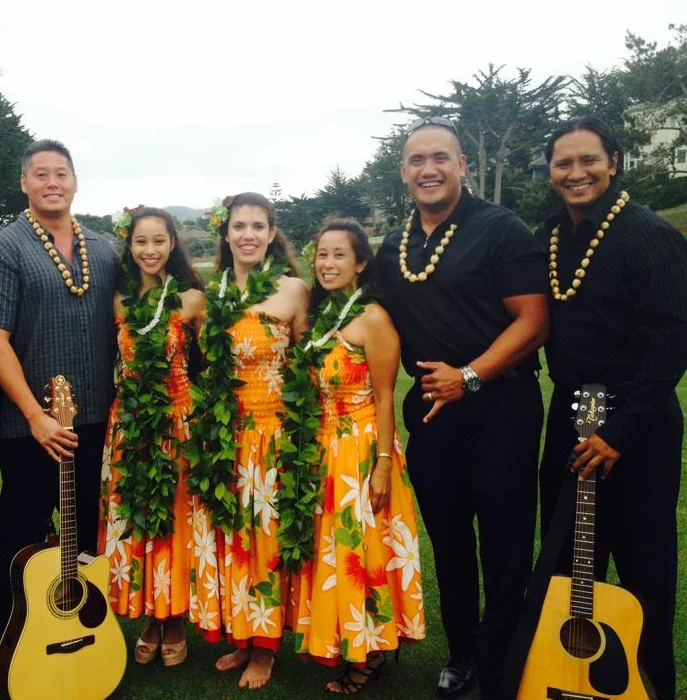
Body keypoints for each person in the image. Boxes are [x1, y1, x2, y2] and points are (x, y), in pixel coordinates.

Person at [376, 117, 549, 698]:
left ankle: (502, 661)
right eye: (417, 160)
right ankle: (463, 653)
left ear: (462, 165)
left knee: (504, 543)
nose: (429, 169)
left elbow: (534, 320)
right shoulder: (397, 245)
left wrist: (470, 376)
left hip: (502, 408)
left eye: (440, 158)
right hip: (431, 414)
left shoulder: (499, 228)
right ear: (403, 171)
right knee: (449, 544)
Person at [536, 116, 687, 700]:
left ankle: (649, 686)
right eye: (564, 162)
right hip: (570, 416)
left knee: (644, 566)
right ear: (550, 170)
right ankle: (568, 682)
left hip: (638, 425)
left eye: (588, 160)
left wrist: (620, 432)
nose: (576, 173)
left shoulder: (648, 234)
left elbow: (673, 342)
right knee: (567, 562)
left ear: (614, 162)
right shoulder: (550, 235)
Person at [0, 139, 119, 651]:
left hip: (96, 419)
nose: (52, 182)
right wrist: (35, 417)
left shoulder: (103, 248)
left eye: (61, 173)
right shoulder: (4, 249)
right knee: (21, 536)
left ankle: (86, 638)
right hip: (32, 427)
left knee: (88, 536)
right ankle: (12, 643)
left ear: (75, 181)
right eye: (41, 174)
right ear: (24, 183)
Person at [291, 218, 427, 694]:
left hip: (363, 447)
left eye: (339, 255)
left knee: (364, 549)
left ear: (361, 263)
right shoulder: (320, 315)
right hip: (324, 448)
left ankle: (373, 650)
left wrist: (383, 465)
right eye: (321, 255)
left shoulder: (373, 319)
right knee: (334, 550)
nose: (327, 264)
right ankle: (348, 638)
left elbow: (386, 396)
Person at [187, 192, 309, 690]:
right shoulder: (210, 295)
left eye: (258, 226)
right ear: (226, 232)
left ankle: (266, 647)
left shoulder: (293, 290)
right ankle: (243, 633)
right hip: (223, 436)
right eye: (239, 226)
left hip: (273, 434)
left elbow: (308, 364)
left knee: (266, 540)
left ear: (271, 232)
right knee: (233, 540)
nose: (248, 235)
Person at [96, 206, 205, 668]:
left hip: (178, 423)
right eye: (141, 241)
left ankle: (174, 617)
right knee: (137, 517)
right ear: (129, 244)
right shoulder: (118, 301)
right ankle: (149, 615)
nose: (150, 250)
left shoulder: (191, 299)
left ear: (172, 243)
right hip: (129, 424)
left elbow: (214, 363)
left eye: (159, 240)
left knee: (175, 519)